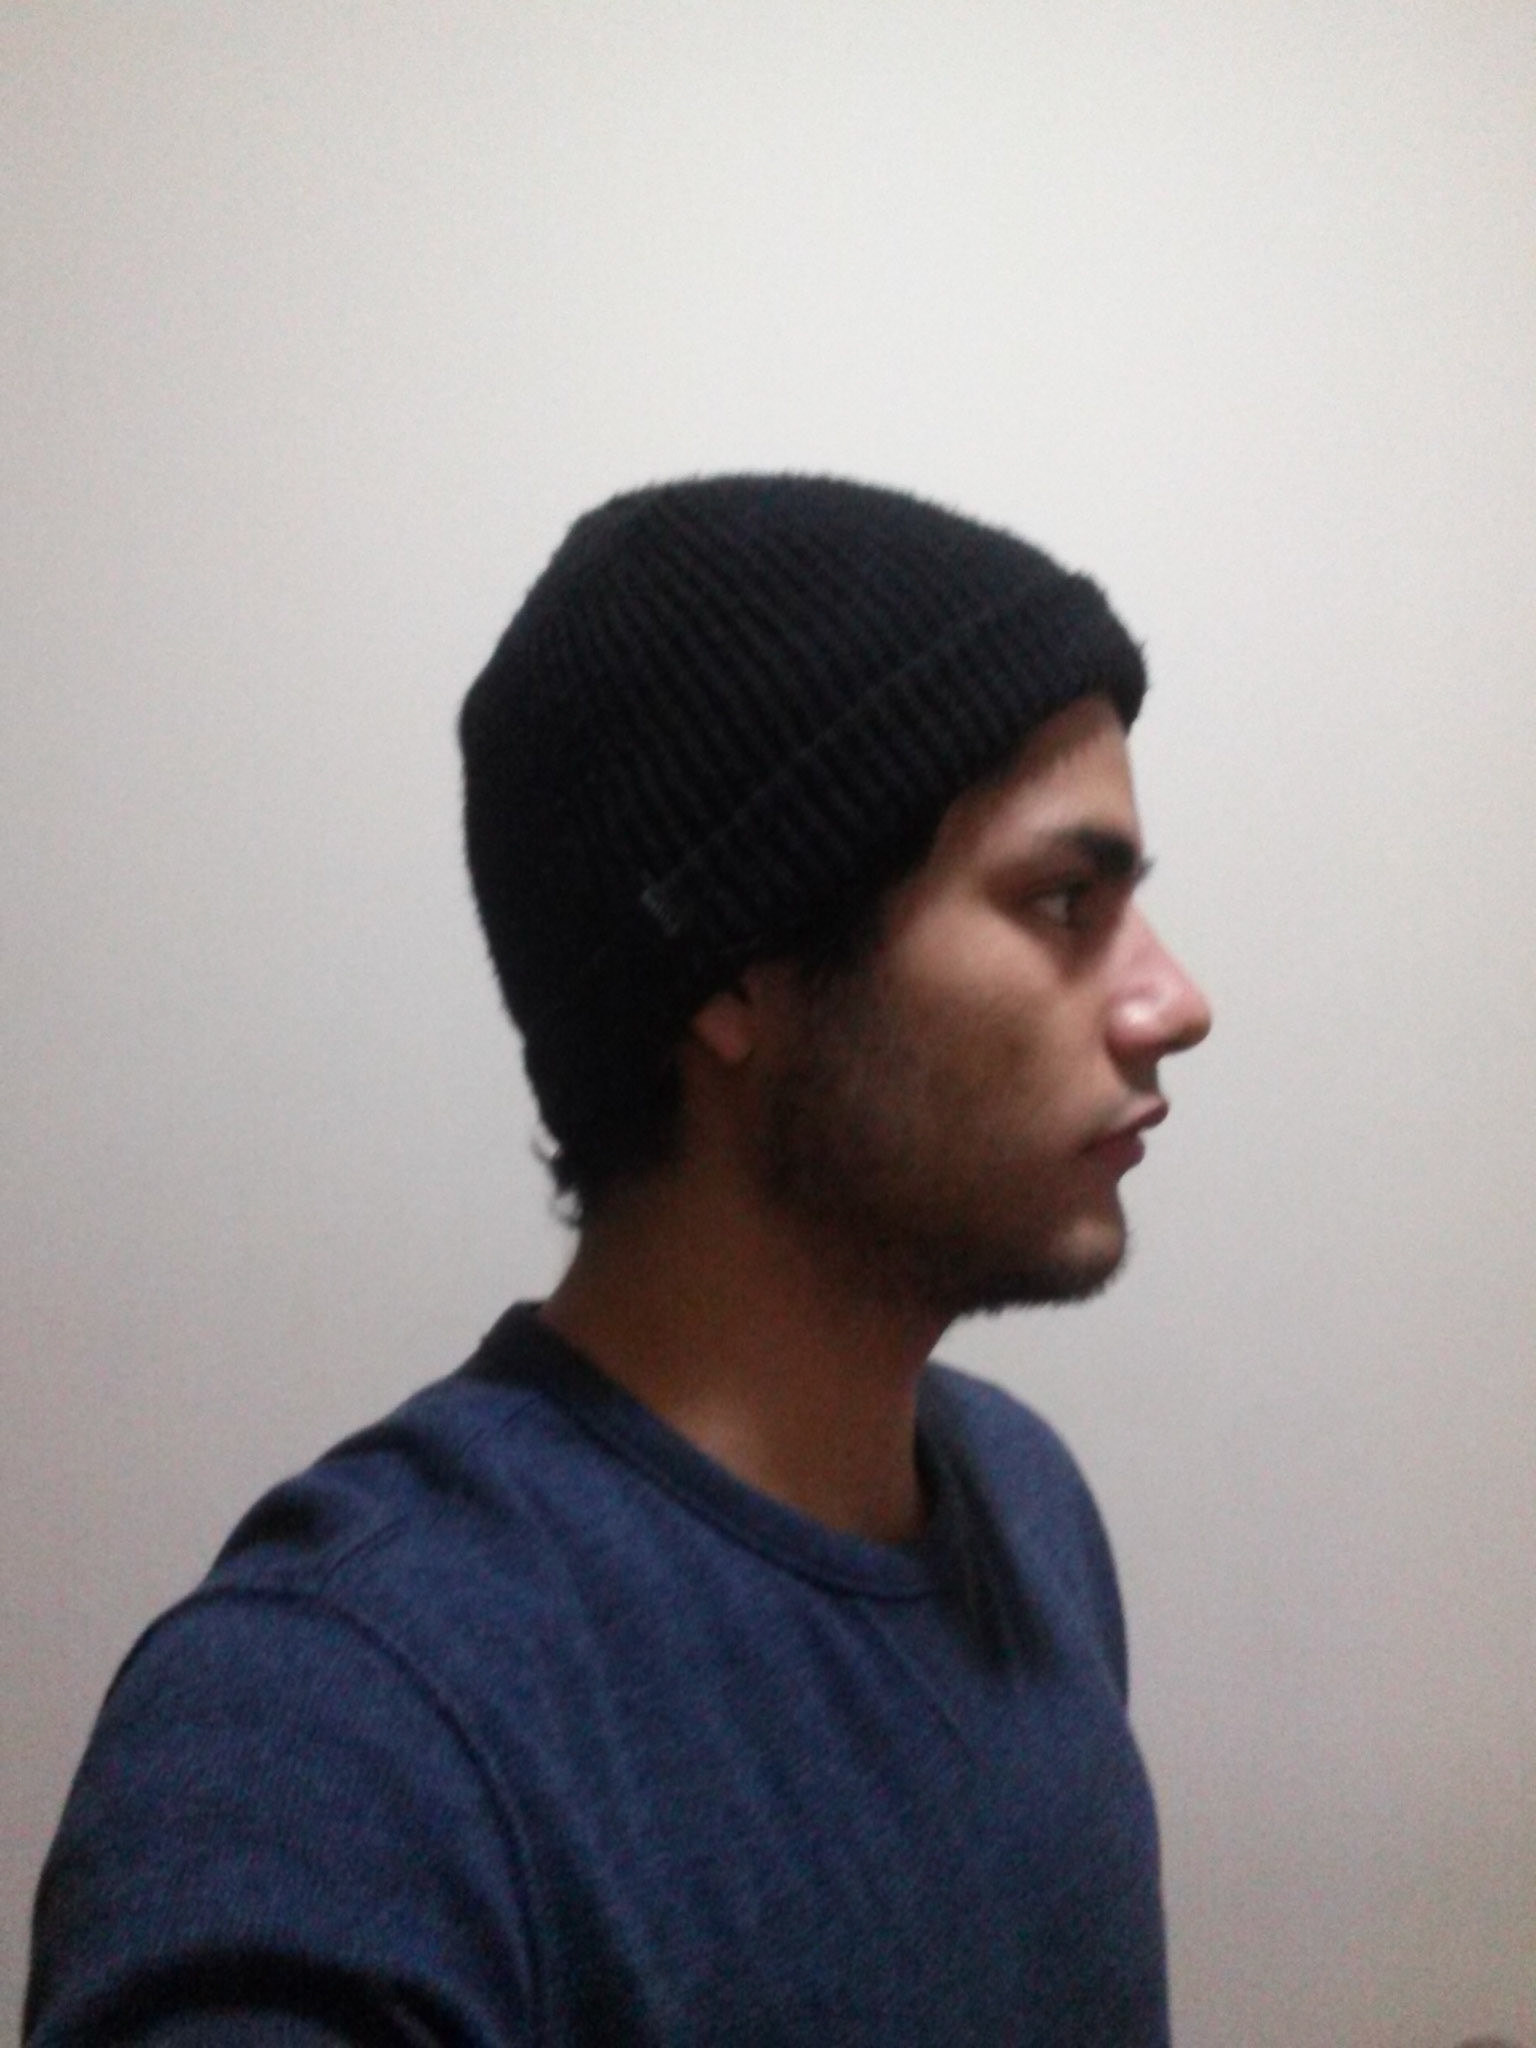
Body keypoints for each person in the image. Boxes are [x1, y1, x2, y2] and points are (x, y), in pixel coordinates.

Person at [27, 475, 1212, 2045]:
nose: (1175, 1001)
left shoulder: (1026, 1512)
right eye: (1064, 900)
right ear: (734, 974)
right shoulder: (340, 1729)